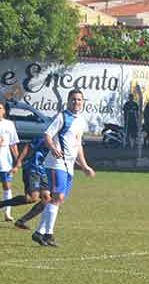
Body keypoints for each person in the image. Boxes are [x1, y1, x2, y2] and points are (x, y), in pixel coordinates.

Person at [32, 89, 95, 248]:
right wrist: (53, 148)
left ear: (83, 102)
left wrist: (84, 165)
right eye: (73, 99)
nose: (76, 102)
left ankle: (40, 232)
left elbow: (78, 145)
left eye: (79, 100)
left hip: (69, 166)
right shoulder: (62, 117)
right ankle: (48, 234)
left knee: (57, 200)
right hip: (56, 163)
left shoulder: (81, 121)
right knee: (58, 197)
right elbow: (47, 135)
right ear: (68, 101)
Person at [0, 135, 49, 228]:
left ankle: (20, 221)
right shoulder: (45, 138)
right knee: (32, 197)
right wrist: (18, 164)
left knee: (46, 199)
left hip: (45, 172)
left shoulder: (63, 141)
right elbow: (28, 146)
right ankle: (0, 204)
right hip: (33, 168)